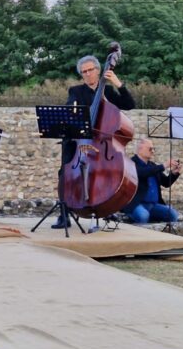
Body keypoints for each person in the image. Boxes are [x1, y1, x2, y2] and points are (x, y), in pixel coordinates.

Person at [53, 54, 136, 228]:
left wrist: (118, 83)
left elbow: (129, 104)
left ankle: (106, 209)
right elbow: (71, 108)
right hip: (80, 141)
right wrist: (74, 112)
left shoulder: (109, 91)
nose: (88, 74)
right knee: (65, 172)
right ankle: (64, 214)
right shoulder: (76, 92)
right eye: (84, 72)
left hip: (102, 144)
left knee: (107, 172)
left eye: (91, 70)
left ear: (98, 71)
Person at [121, 138, 182, 224]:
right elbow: (142, 173)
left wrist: (175, 173)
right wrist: (164, 165)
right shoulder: (131, 163)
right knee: (143, 216)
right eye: (150, 148)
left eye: (154, 149)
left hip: (154, 205)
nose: (153, 151)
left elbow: (166, 182)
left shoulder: (152, 165)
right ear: (140, 149)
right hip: (136, 204)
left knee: (172, 214)